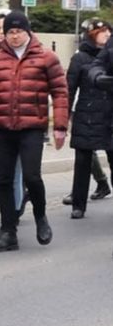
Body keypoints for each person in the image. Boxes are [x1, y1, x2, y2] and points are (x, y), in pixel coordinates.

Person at [0, 11, 68, 252]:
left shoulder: (46, 57)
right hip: (3, 128)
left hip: (32, 128)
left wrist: (60, 127)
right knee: (3, 180)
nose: (14, 36)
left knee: (32, 176)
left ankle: (40, 216)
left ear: (28, 32)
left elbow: (60, 93)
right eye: (10, 32)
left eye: (18, 32)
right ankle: (8, 231)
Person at [66, 18, 113, 217]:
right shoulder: (80, 58)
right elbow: (69, 88)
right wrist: (64, 116)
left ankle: (103, 186)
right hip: (87, 114)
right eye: (103, 32)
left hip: (109, 114)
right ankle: (78, 205)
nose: (107, 35)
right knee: (83, 161)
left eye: (109, 31)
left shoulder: (110, 54)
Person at [0, 9, 26, 214]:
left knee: (15, 173)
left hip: (20, 124)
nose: (2, 32)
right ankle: (7, 206)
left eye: (6, 28)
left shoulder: (26, 57)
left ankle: (13, 214)